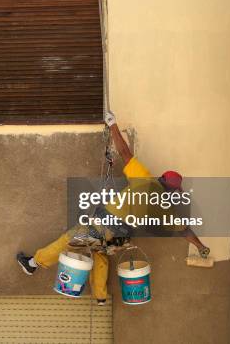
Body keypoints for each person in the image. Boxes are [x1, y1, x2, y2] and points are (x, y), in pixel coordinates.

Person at [17, 111, 210, 305]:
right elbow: (185, 230)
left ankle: (32, 264)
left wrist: (113, 124)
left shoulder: (145, 180)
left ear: (161, 179)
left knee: (68, 239)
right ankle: (100, 298)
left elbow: (125, 153)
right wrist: (201, 247)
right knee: (100, 253)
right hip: (122, 237)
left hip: (105, 224)